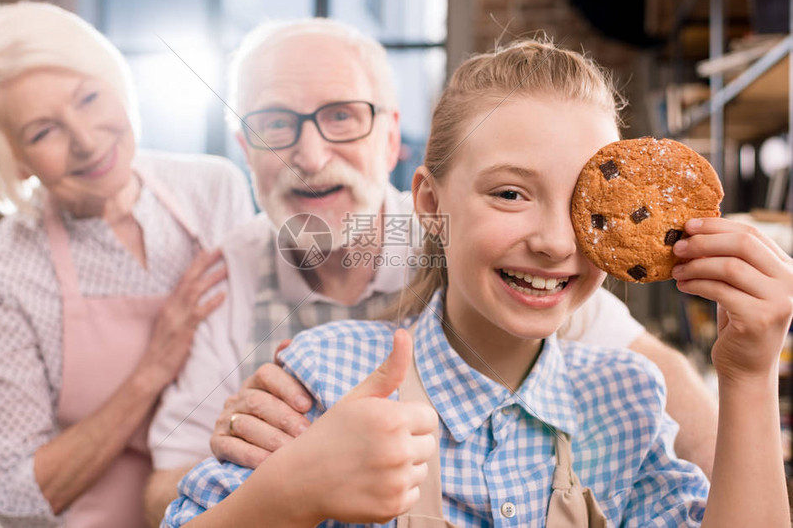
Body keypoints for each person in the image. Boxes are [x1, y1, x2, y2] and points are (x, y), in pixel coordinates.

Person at [162, 38, 793, 528]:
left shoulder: (626, 400)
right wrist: (291, 490)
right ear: (431, 207)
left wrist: (748, 375)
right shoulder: (325, 375)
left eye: (585, 206)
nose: (553, 241)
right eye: (510, 193)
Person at [0, 1, 254, 527]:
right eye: (43, 132)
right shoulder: (1, 273)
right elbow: (13, 494)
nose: (86, 139)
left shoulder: (212, 189)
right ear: (13, 158)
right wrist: (153, 368)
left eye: (88, 98)